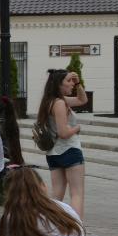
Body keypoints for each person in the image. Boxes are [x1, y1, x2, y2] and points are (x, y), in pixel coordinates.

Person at [37, 69, 89, 218]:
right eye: (68, 81)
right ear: (59, 85)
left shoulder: (49, 101)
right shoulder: (60, 103)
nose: (71, 84)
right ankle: (77, 230)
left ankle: (50, 226)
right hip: (69, 150)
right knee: (77, 194)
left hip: (53, 153)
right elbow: (63, 133)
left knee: (57, 196)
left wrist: (79, 84)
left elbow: (82, 100)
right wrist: (77, 128)